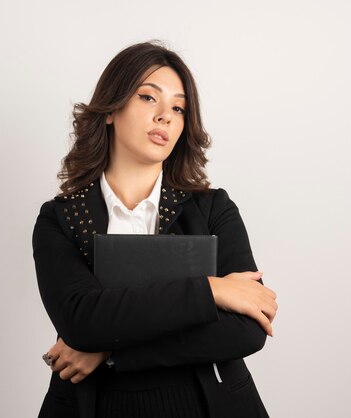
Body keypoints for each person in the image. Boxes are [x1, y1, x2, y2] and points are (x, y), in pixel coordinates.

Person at [32, 41, 278, 418]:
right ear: (111, 109)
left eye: (178, 108)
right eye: (149, 98)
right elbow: (81, 321)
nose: (165, 116)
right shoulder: (60, 218)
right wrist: (212, 290)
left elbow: (247, 327)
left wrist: (111, 350)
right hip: (93, 407)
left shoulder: (213, 208)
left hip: (209, 405)